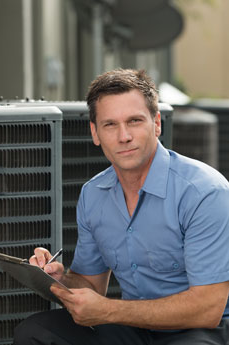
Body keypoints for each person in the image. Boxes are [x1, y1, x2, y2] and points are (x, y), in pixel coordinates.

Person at [13, 69, 229, 344]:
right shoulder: (94, 194)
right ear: (95, 133)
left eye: (135, 121)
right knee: (35, 333)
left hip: (200, 330)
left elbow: (207, 309)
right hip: (131, 328)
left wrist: (109, 311)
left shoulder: (204, 192)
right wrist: (59, 280)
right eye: (110, 125)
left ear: (157, 123)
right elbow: (91, 284)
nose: (123, 136)